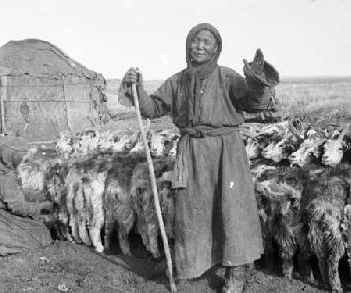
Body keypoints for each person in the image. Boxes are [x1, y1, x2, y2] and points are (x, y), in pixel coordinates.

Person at [119, 23, 277, 293]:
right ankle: (193, 268)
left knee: (232, 211)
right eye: (195, 41)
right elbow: (153, 108)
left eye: (207, 42)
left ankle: (235, 274)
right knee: (192, 212)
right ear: (188, 45)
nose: (200, 46)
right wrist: (138, 88)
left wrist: (256, 81)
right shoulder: (178, 81)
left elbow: (254, 103)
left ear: (217, 49)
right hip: (191, 152)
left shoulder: (227, 78)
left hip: (227, 153)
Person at [0, 145, 53, 255]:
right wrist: (41, 206)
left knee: (39, 230)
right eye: (21, 161)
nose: (23, 164)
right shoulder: (6, 177)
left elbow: (14, 194)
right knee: (38, 241)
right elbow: (18, 207)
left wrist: (39, 197)